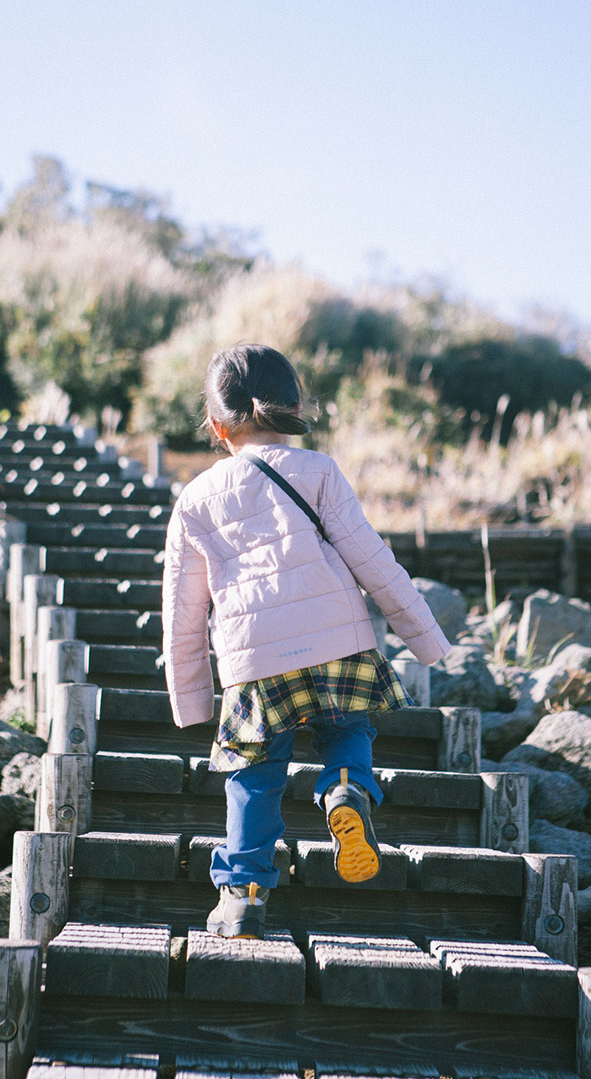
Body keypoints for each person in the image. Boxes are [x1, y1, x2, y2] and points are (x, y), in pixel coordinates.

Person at [161, 343, 450, 939]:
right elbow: (374, 561)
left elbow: (182, 616)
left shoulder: (193, 500)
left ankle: (242, 897)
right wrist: (425, 639)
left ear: (216, 426)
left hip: (254, 660)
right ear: (295, 405)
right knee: (349, 729)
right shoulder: (319, 471)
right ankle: (344, 789)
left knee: (253, 773)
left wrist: (191, 702)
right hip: (338, 642)